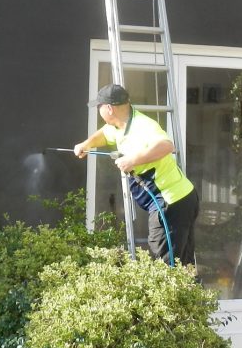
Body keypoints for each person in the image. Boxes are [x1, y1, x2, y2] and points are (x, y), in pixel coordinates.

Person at [74, 83, 199, 266]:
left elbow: (167, 146)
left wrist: (132, 160)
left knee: (165, 264)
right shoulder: (119, 125)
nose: (98, 110)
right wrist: (86, 144)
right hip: (180, 198)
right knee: (183, 265)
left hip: (170, 202)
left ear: (109, 108)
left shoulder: (143, 125)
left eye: (99, 106)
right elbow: (105, 134)